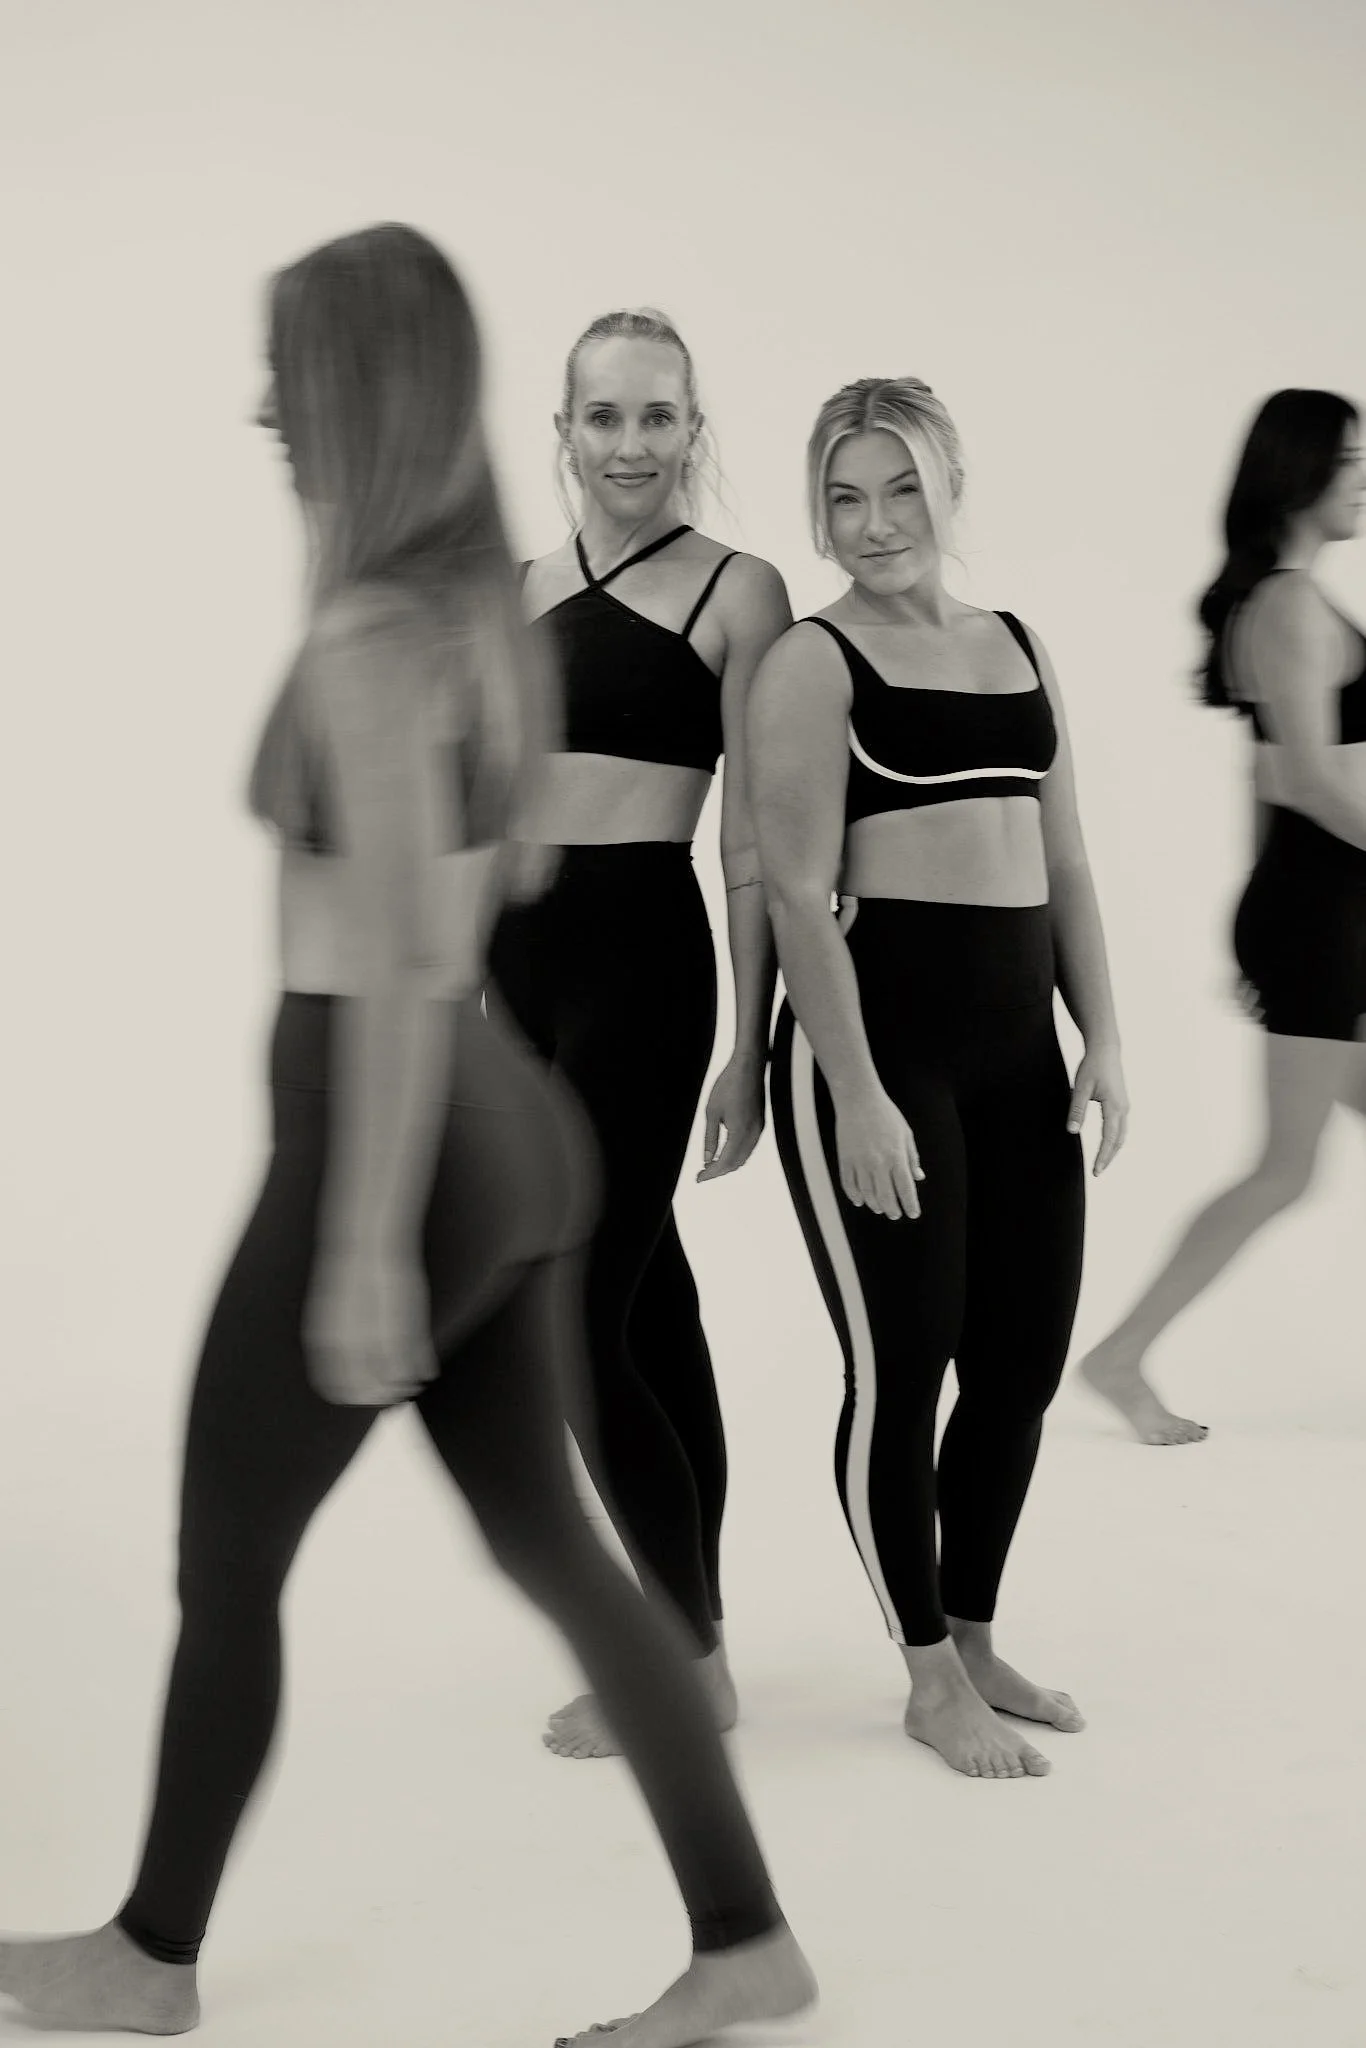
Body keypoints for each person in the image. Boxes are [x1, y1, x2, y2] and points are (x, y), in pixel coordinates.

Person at [0, 224, 816, 2048]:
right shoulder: (474, 609)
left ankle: (147, 1954)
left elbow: (397, 957)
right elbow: (493, 890)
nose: (265, 406)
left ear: (357, 393)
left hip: (394, 1133)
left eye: (288, 372)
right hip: (502, 1125)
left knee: (229, 1556)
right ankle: (746, 1936)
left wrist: (366, 1238)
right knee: (555, 1542)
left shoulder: (382, 636)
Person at [747, 377, 1128, 1781]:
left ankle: (970, 1634)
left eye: (899, 488)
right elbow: (795, 891)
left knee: (1019, 1365)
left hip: (1016, 1057)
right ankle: (919, 1675)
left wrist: (1106, 1037)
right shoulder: (810, 661)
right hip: (878, 1058)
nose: (873, 523)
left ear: (948, 486)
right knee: (899, 1368)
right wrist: (852, 1092)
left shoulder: (1013, 643)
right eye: (842, 497)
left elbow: (1067, 859)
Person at [490, 308, 792, 1761]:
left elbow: (757, 840)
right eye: (601, 417)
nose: (628, 445)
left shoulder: (740, 592)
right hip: (517, 971)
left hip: (641, 966)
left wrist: (749, 1039)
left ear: (691, 430)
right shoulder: (519, 584)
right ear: (562, 431)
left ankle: (673, 1655)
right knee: (644, 1303)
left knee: (572, 1313)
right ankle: (697, 1644)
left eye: (655, 417)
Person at [1078, 389, 1366, 1445]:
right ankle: (1117, 1355)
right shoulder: (1288, 606)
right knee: (1285, 1167)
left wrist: (1255, 915)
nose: (1363, 479)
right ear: (1298, 473)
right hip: (1320, 912)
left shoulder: (1285, 603)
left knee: (1289, 1163)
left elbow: (1270, 779)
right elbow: (1308, 777)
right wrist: (1272, 925)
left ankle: (1119, 1354)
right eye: (1348, 460)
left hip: (1316, 907)